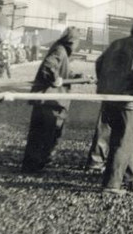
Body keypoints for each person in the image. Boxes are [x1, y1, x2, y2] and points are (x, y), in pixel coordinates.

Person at [94, 19, 133, 194]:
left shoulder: (116, 44)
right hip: (128, 102)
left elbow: (99, 63)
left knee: (126, 139)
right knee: (123, 141)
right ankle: (111, 184)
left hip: (109, 98)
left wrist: (106, 84)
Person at [21, 27, 88, 174]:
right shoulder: (59, 50)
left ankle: (36, 163)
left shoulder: (61, 50)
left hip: (48, 100)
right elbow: (49, 67)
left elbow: (62, 71)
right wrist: (54, 78)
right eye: (77, 42)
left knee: (45, 134)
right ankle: (34, 165)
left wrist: (77, 77)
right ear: (72, 41)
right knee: (44, 134)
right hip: (50, 101)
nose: (78, 45)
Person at [85, 21, 133, 172]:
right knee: (124, 132)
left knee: (104, 126)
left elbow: (99, 62)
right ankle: (124, 170)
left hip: (108, 91)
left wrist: (103, 80)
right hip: (124, 94)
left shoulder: (117, 43)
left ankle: (95, 163)